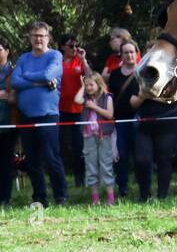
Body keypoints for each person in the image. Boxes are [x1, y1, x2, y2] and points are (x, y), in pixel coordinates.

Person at [10, 21, 69, 207]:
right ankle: (39, 198)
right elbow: (16, 82)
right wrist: (36, 81)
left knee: (52, 157)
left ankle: (61, 196)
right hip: (26, 115)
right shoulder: (23, 58)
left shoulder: (55, 55)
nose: (38, 39)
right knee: (32, 160)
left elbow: (46, 76)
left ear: (48, 38)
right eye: (35, 35)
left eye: (42, 36)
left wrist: (27, 76)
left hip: (48, 115)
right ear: (30, 38)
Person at [130, 81, 177, 201]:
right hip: (144, 127)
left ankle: (162, 196)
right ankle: (144, 195)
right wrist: (145, 94)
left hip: (168, 125)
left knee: (164, 160)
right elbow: (133, 103)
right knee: (142, 159)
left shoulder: (171, 76)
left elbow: (174, 97)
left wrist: (150, 94)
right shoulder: (141, 77)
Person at [58, 34, 93, 188]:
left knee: (78, 145)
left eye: (76, 45)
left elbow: (91, 77)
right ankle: (59, 178)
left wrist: (83, 59)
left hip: (77, 109)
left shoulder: (79, 61)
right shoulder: (56, 61)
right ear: (62, 47)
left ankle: (80, 177)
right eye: (71, 46)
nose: (75, 49)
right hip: (58, 109)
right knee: (58, 144)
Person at [75, 72, 115, 205]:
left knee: (106, 165)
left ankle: (110, 198)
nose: (88, 88)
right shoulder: (85, 98)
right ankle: (95, 198)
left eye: (91, 85)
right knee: (91, 165)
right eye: (86, 86)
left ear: (98, 84)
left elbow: (109, 114)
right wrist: (81, 86)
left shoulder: (107, 97)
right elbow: (77, 100)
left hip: (104, 136)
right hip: (89, 136)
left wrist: (94, 107)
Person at [108, 40, 141, 198]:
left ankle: (143, 186)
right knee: (121, 154)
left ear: (136, 54)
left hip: (139, 118)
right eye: (126, 52)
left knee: (140, 154)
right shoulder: (114, 74)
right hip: (120, 119)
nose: (129, 55)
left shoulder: (143, 72)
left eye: (132, 52)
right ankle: (123, 187)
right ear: (121, 55)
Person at [0, 34, 15, 208]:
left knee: (6, 162)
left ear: (7, 52)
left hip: (8, 121)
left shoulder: (14, 71)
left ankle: (5, 198)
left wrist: (8, 96)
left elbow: (13, 95)